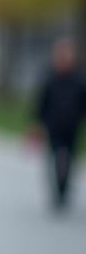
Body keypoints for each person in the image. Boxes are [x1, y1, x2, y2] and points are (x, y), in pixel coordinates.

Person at [34, 37, 86, 210]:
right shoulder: (50, 79)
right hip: (54, 126)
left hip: (72, 127)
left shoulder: (79, 80)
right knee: (55, 158)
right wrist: (36, 123)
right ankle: (56, 190)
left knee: (70, 159)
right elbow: (42, 103)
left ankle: (65, 189)